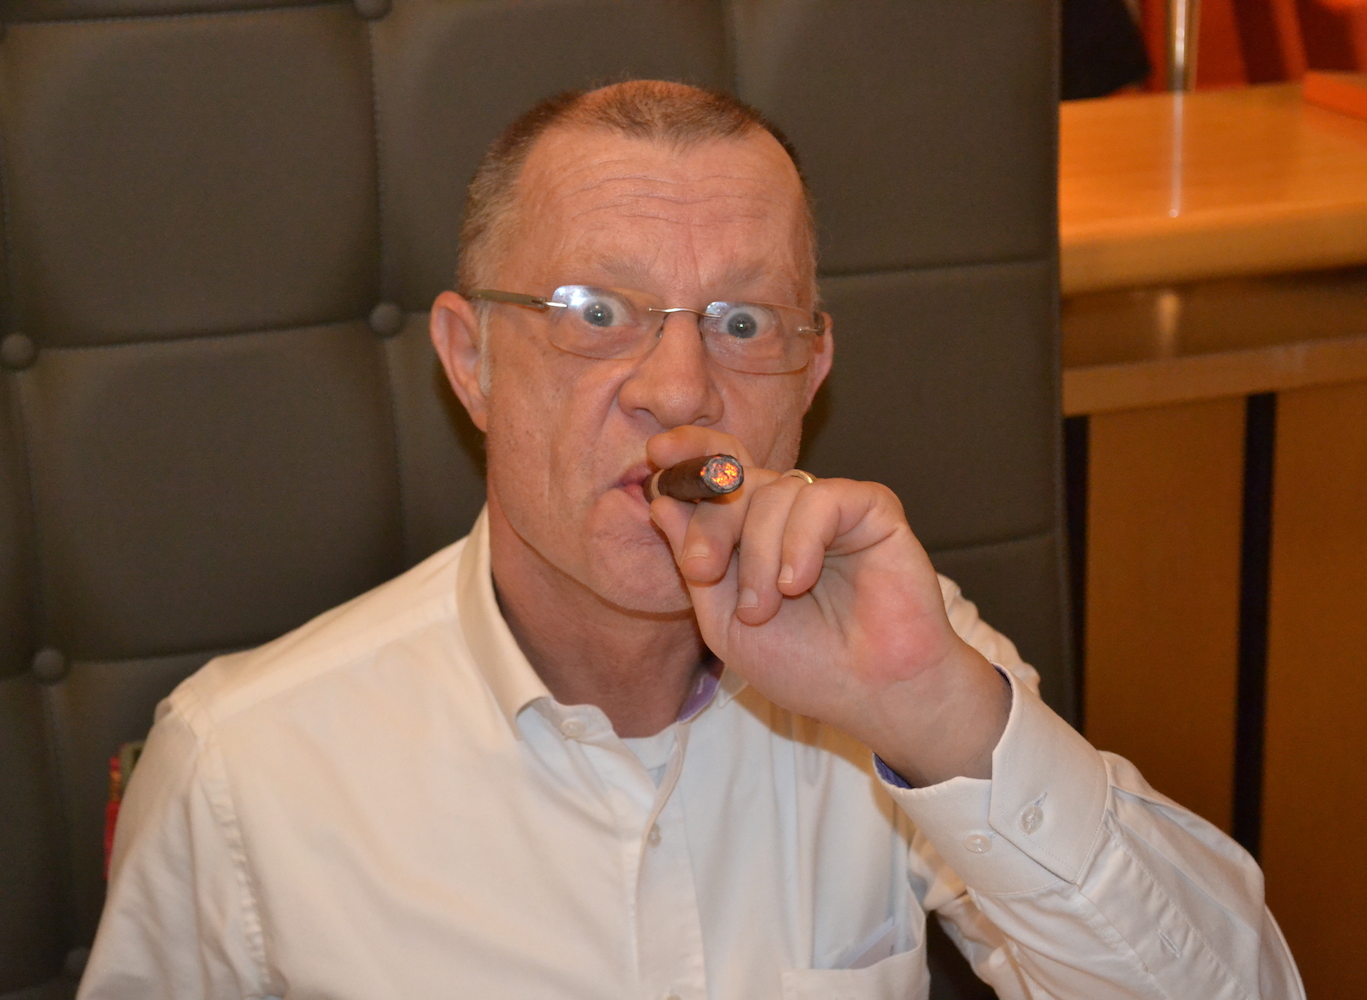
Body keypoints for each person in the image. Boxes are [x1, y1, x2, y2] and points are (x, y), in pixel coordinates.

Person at [78, 81, 1303, 1000]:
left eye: (742, 321)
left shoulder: (901, 670)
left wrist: (942, 718)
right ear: (472, 359)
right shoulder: (243, 769)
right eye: (594, 312)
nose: (677, 386)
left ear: (809, 375)